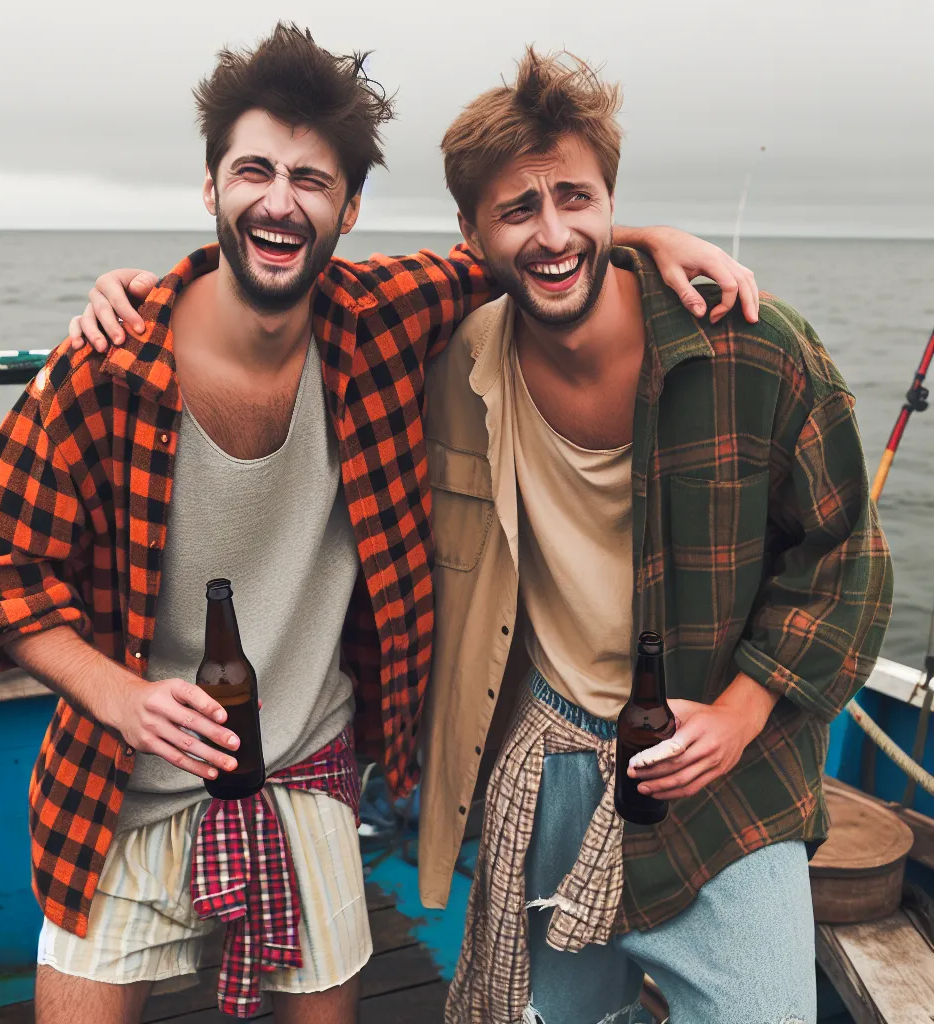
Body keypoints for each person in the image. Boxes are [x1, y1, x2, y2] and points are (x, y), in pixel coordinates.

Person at [13, 25, 758, 1024]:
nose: (280, 199)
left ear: (348, 208)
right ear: (210, 190)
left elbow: (520, 248)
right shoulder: (107, 366)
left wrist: (647, 240)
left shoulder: (377, 316)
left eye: (311, 180)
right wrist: (118, 695)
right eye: (253, 171)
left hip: (309, 765)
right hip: (117, 784)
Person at [413, 49, 890, 1024]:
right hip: (545, 757)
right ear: (470, 235)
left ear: (610, 203)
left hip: (720, 774)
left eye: (576, 200)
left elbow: (845, 561)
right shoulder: (460, 350)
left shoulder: (755, 346)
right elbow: (293, 290)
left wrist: (742, 714)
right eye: (517, 210)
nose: (553, 233)